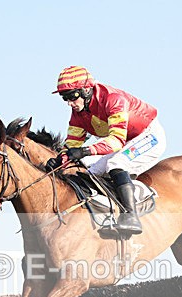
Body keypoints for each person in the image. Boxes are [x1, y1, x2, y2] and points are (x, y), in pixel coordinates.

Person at [45, 66, 166, 235]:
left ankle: (131, 216)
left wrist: (84, 151)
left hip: (148, 136)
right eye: (64, 98)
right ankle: (110, 214)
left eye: (72, 96)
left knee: (117, 163)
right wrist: (60, 159)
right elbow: (72, 145)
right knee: (93, 170)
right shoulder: (78, 113)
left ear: (86, 90)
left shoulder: (113, 99)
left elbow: (116, 141)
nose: (70, 103)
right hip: (125, 140)